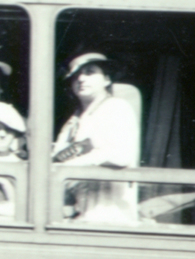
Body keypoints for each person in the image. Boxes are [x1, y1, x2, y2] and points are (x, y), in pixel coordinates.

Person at [53, 51, 140, 224]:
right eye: (76, 75)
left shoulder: (117, 107)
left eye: (90, 72)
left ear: (106, 79)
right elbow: (57, 159)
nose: (81, 79)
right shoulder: (73, 120)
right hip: (78, 214)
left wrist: (75, 163)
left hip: (110, 215)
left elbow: (121, 155)